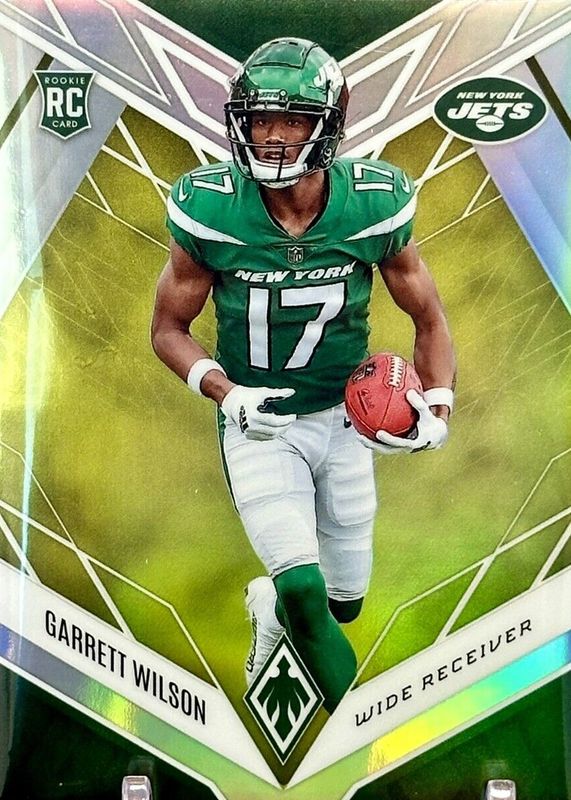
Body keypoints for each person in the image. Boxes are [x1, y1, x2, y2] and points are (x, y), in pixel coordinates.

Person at [151, 37, 455, 713]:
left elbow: (428, 317)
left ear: (328, 125)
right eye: (260, 120)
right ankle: (367, 738)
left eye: (292, 120)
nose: (273, 137)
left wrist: (437, 408)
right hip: (260, 425)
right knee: (303, 590)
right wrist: (229, 395)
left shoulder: (372, 203)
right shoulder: (209, 207)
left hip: (346, 422)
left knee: (341, 605)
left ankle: (270, 608)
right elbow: (168, 330)